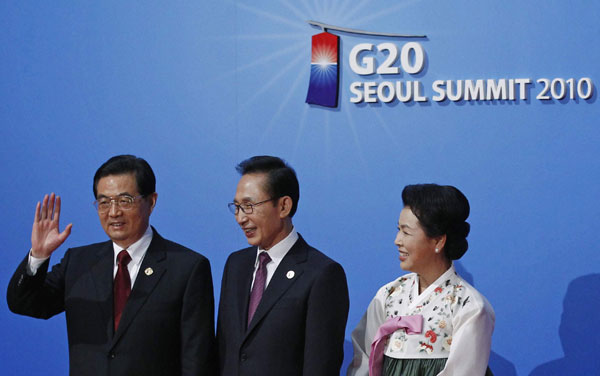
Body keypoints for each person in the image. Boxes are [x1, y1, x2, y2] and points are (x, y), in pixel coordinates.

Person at [7, 155, 217, 376]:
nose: (113, 212)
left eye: (124, 200)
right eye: (104, 202)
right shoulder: (78, 263)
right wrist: (38, 256)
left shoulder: (187, 268)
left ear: (151, 201)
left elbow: (197, 359)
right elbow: (25, 304)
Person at [217, 155, 349, 376]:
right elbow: (224, 349)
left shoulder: (321, 274)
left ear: (284, 206)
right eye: (237, 207)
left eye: (249, 206)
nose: (240, 218)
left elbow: (320, 365)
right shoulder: (236, 265)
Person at [347, 184, 495, 376]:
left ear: (438, 241)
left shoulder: (469, 307)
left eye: (406, 232)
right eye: (398, 230)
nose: (397, 240)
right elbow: (363, 359)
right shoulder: (389, 295)